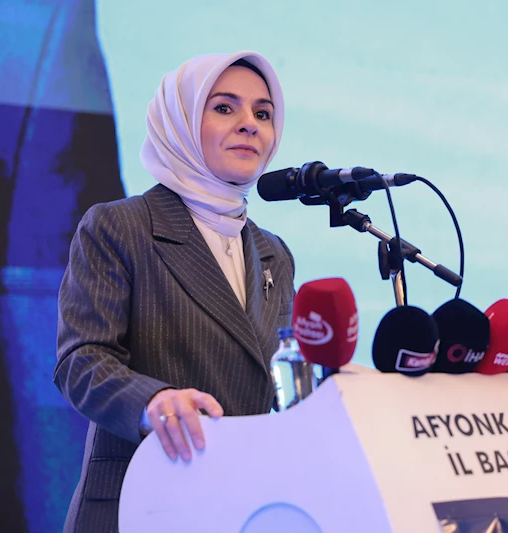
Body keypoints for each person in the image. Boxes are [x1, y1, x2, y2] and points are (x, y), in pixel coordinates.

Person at [53, 51, 294, 533]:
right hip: (142, 500)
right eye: (224, 108)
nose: (249, 124)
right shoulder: (119, 226)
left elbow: (275, 378)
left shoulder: (275, 254)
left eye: (263, 113)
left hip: (245, 506)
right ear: (179, 121)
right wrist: (152, 402)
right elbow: (80, 361)